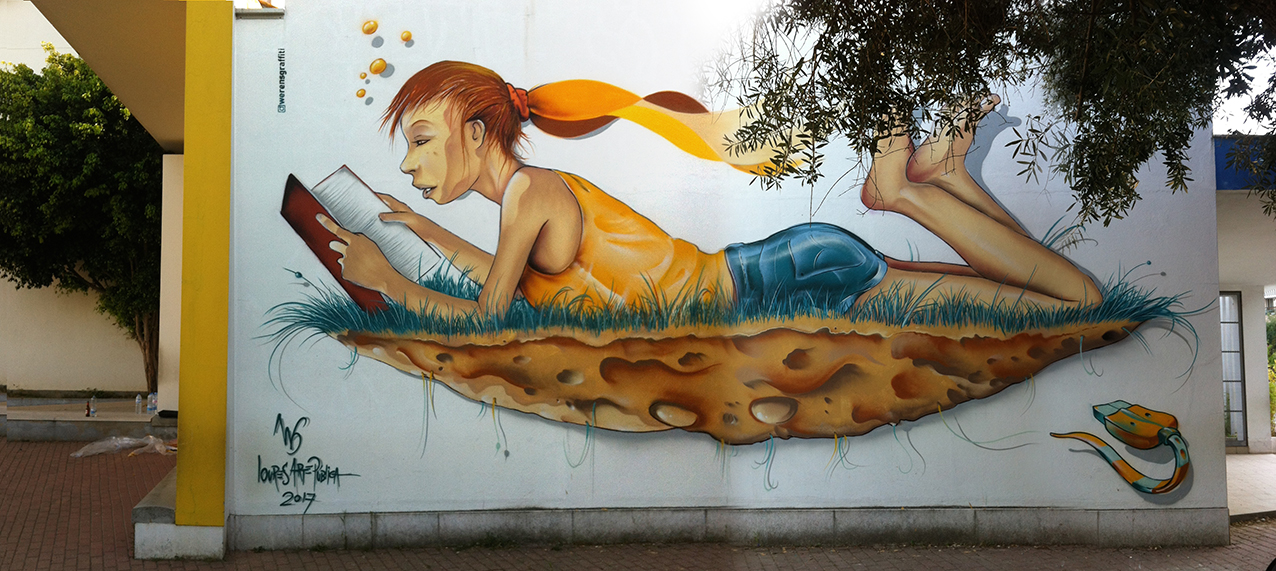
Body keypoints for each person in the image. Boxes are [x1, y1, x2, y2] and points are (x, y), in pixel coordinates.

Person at [318, 61, 1102, 320]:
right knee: (1060, 298)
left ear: (477, 132)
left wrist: (390, 282)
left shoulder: (531, 195)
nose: (410, 162)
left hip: (795, 275)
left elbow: (490, 316)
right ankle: (947, 176)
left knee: (1078, 301)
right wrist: (420, 229)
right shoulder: (526, 202)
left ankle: (905, 193)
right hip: (785, 267)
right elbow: (503, 279)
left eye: (421, 138)